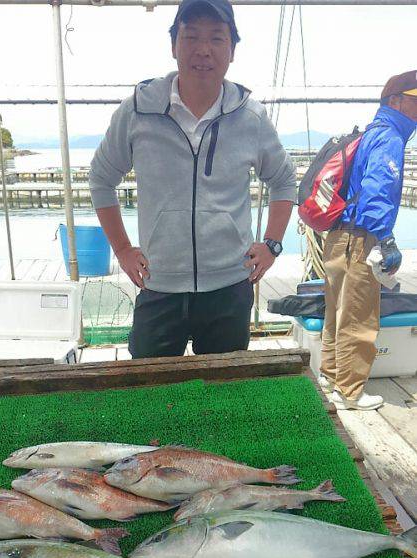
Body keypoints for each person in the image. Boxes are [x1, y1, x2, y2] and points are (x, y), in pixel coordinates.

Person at [89, 0, 296, 359]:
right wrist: (122, 249)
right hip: (159, 284)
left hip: (230, 285)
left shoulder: (251, 116)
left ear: (232, 50)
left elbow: (284, 180)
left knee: (224, 393)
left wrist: (272, 245)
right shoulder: (138, 110)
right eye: (191, 36)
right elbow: (101, 178)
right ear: (173, 45)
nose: (203, 49)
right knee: (149, 392)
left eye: (217, 38)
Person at [320, 70, 417, 411]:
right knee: (359, 318)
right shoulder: (390, 136)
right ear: (396, 101)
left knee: (335, 312)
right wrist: (386, 239)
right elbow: (378, 188)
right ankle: (350, 393)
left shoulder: (370, 133)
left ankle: (332, 378)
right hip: (360, 239)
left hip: (337, 236)